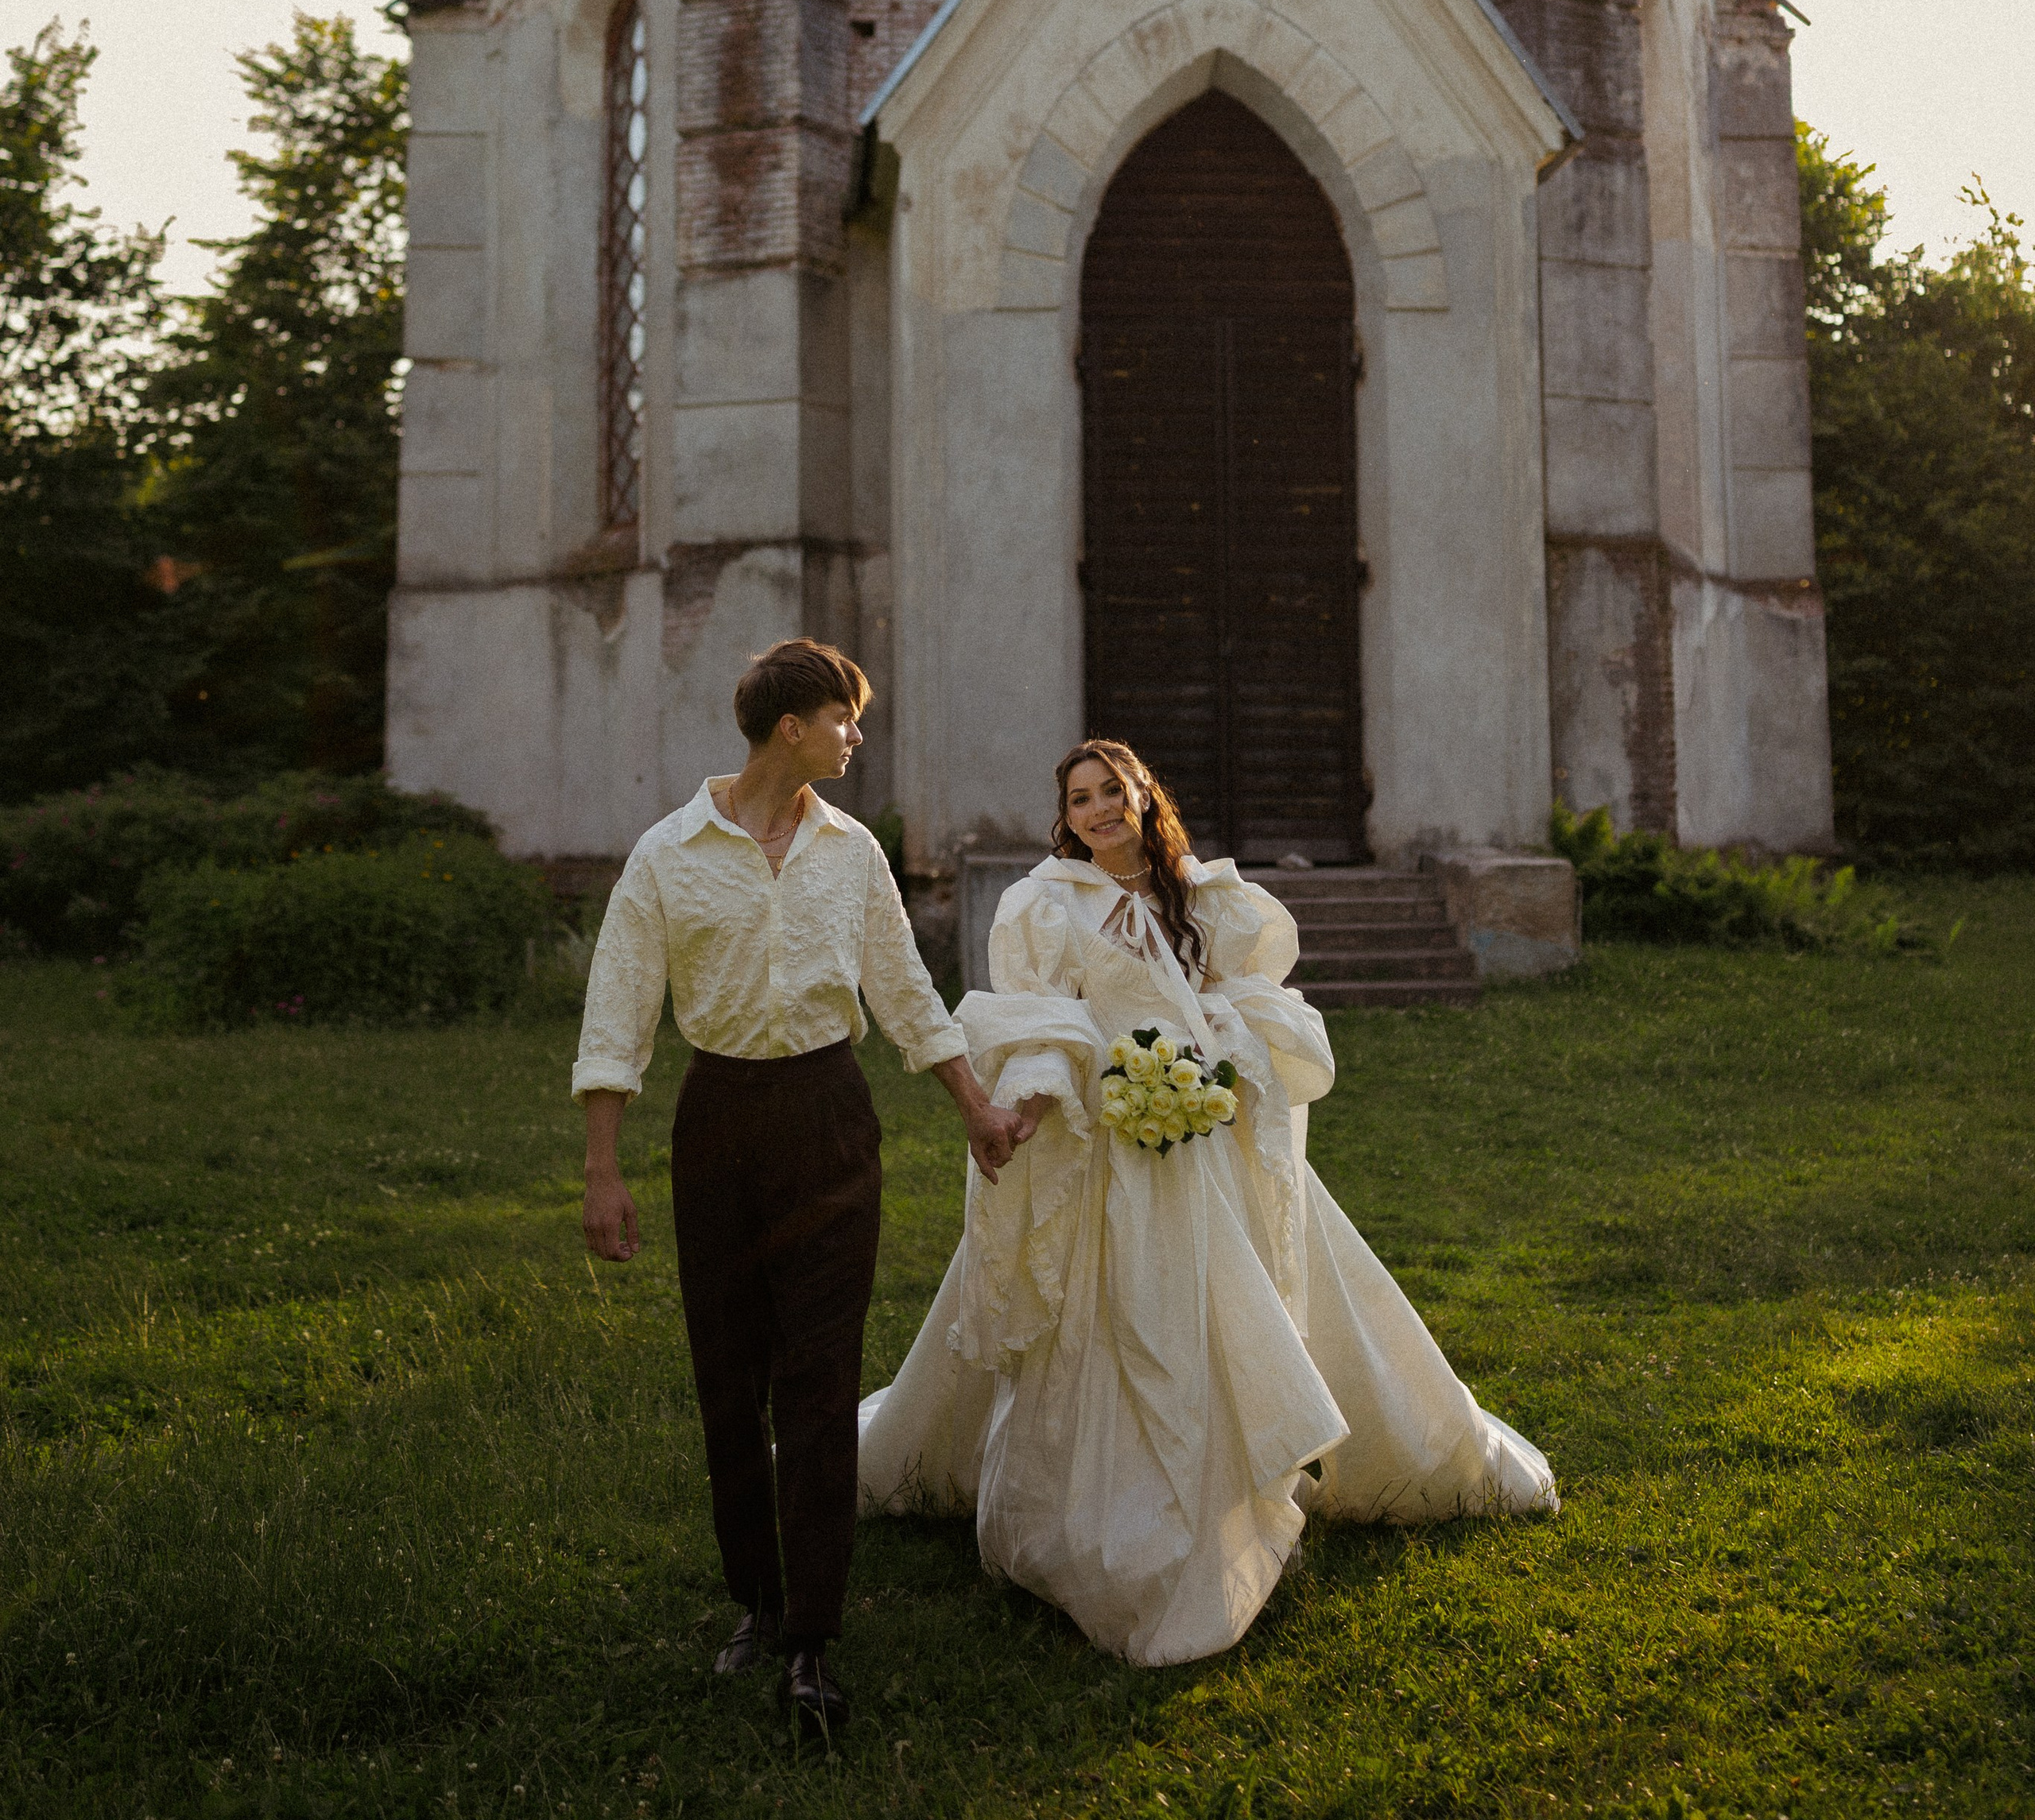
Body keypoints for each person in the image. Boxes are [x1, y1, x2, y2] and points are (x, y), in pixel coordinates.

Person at [857, 738, 1558, 1668]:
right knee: (1122, 1321)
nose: (1100, 810)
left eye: (1115, 791)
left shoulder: (1209, 898)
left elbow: (1253, 1001)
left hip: (1209, 1141)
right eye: (1080, 799)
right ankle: (1129, 1522)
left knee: (1248, 1304)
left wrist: (1211, 1052)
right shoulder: (1044, 907)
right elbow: (1044, 1025)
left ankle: (1278, 1470)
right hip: (1109, 1147)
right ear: (1063, 818)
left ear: (1146, 797)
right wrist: (1026, 1104)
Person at [573, 638, 1030, 1738]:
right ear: (793, 727)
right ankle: (757, 1601)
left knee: (821, 1376)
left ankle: (814, 1636)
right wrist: (603, 1168)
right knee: (730, 1374)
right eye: (845, 719)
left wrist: (972, 1104)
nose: (855, 738)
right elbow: (620, 1004)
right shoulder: (668, 855)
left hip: (830, 1115)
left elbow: (907, 991)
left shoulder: (850, 850)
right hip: (718, 1121)